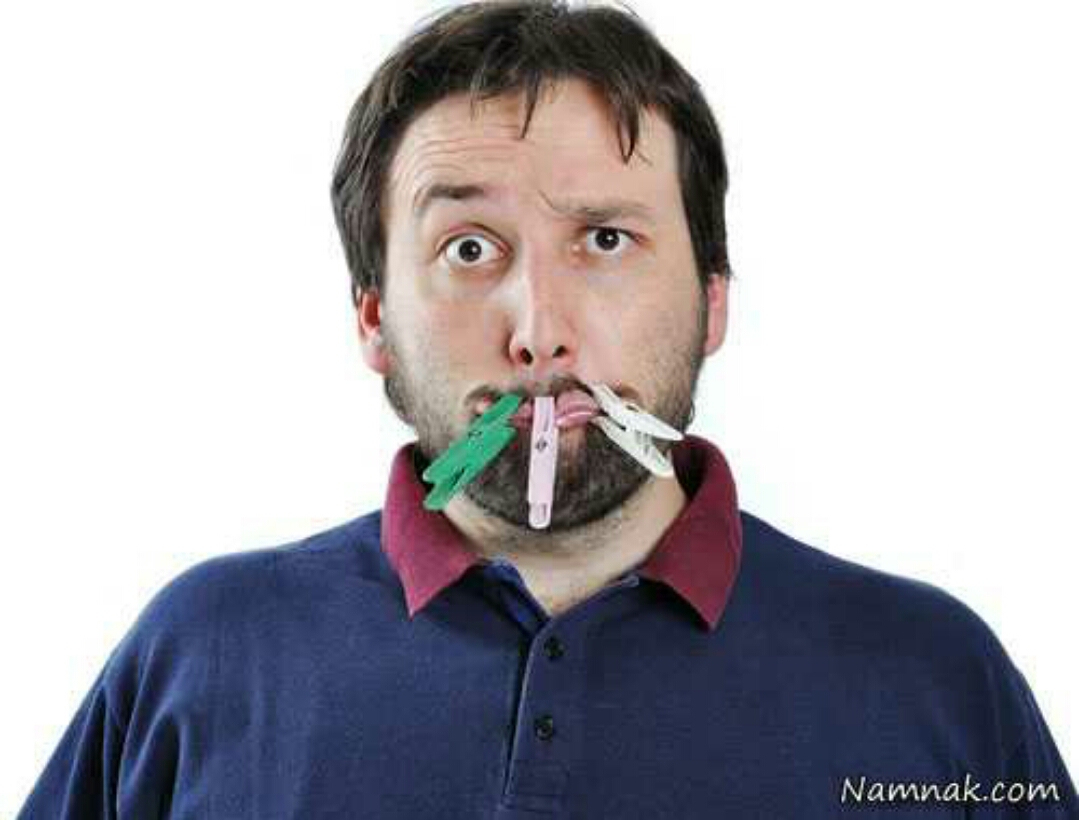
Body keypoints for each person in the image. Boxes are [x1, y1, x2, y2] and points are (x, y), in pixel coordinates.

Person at [18, 1, 1076, 817]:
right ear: (374, 319)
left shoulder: (933, 676)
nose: (538, 333)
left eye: (605, 240)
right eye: (469, 248)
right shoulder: (202, 654)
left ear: (711, 301)